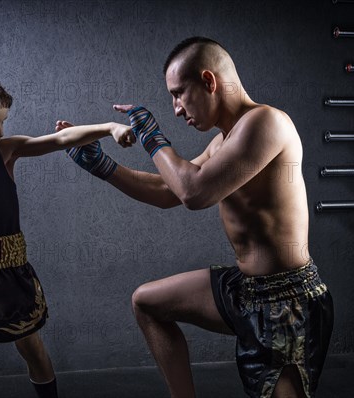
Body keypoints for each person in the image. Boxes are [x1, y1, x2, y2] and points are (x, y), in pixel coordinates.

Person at [60, 37, 334, 398]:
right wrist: (104, 167)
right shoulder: (224, 142)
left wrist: (151, 136)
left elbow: (194, 192)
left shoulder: (266, 123)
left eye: (178, 93)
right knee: (147, 302)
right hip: (244, 288)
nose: (175, 108)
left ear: (209, 81)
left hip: (288, 300)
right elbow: (168, 191)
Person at [0, 69, 134, 398]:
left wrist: (110, 127)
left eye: (2, 121)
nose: (0, 131)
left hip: (10, 271)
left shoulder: (6, 151)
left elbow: (59, 139)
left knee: (32, 348)